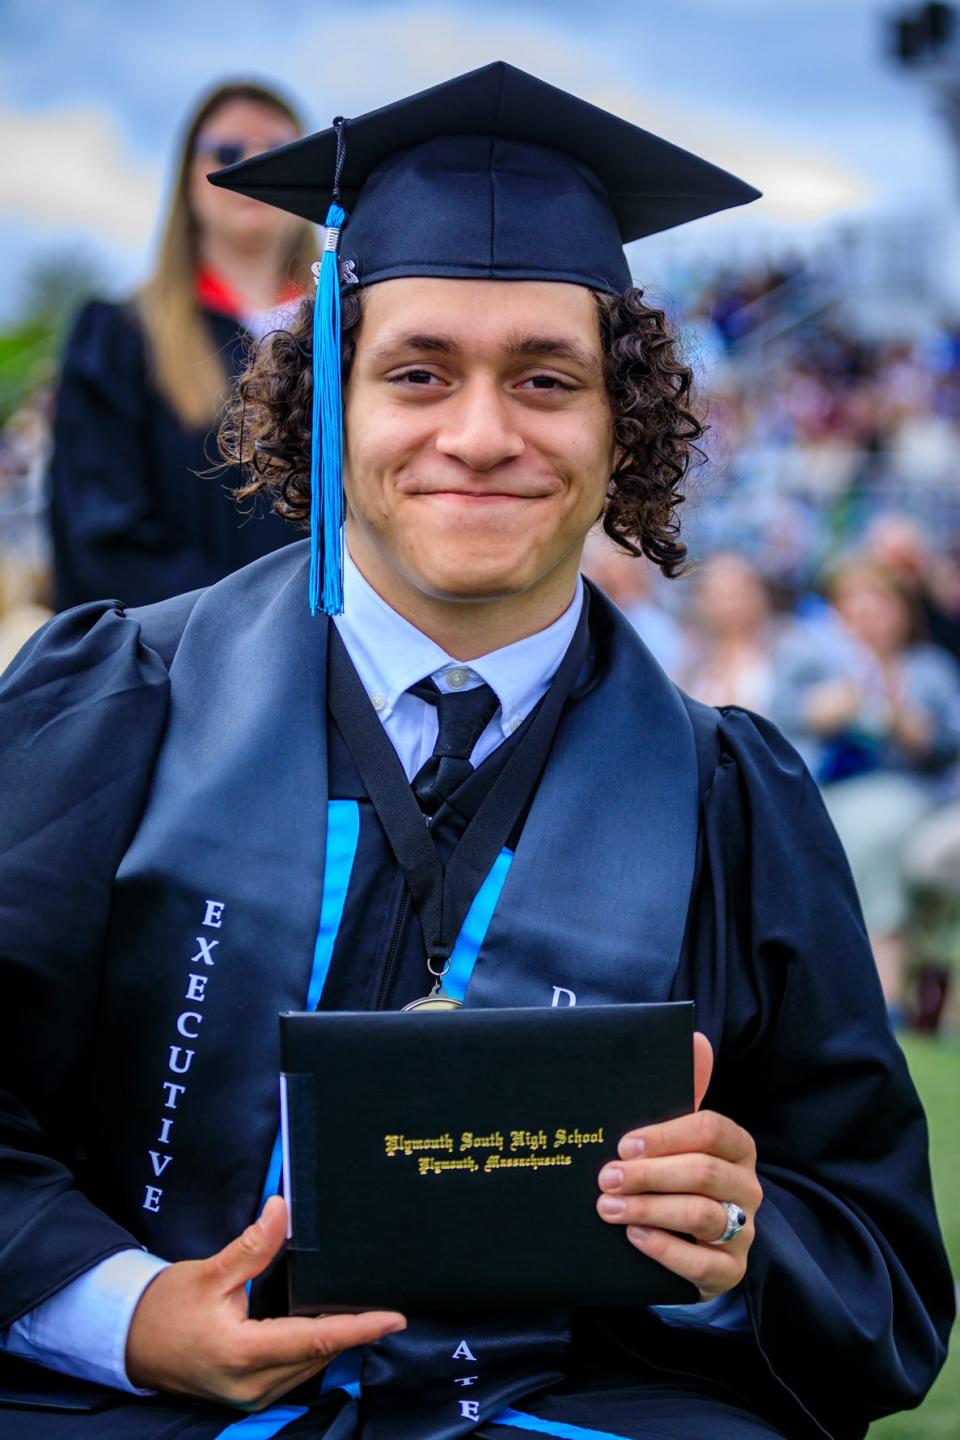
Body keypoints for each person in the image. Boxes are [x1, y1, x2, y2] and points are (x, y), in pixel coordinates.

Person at [0, 62, 952, 1440]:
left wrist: (747, 1234)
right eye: (419, 372)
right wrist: (123, 1312)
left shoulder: (729, 797)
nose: (482, 433)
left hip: (580, 1406)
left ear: (624, 424)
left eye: (547, 378)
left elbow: (881, 1271)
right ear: (327, 404)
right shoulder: (118, 705)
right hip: (134, 1408)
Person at [48, 80, 316, 611]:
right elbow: (100, 537)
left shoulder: (345, 331)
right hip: (182, 649)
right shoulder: (121, 337)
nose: (255, 167)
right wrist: (247, 618)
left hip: (342, 650)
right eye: (230, 153)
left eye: (280, 152)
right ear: (187, 180)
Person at [770, 555, 960, 1013]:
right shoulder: (811, 660)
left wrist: (909, 725)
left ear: (902, 613)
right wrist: (825, 709)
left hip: (901, 793)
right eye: (853, 605)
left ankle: (882, 996)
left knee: (876, 828)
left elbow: (946, 740)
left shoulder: (927, 667)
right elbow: (776, 717)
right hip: (818, 789)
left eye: (878, 605)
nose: (866, 616)